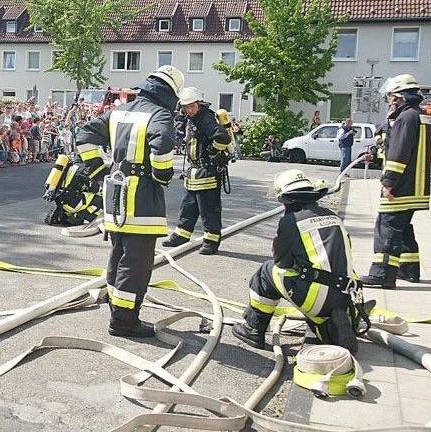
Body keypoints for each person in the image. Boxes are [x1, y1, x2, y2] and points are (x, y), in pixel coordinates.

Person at [76, 65, 184, 338]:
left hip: (114, 194)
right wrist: (161, 175)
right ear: (171, 93)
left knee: (119, 253)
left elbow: (84, 135)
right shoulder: (160, 115)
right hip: (142, 197)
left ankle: (117, 308)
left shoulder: (120, 110)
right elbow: (163, 145)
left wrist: (99, 171)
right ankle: (124, 322)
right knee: (136, 262)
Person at [233, 169, 364, 354]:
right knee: (319, 282)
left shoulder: (291, 222)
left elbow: (282, 262)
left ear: (285, 199)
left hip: (318, 298)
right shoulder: (332, 216)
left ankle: (254, 328)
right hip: (348, 294)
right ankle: (329, 325)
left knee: (266, 272)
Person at [360, 74, 431, 288]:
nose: (389, 102)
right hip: (416, 186)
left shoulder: (406, 118)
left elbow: (400, 154)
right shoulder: (422, 116)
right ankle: (409, 270)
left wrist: (388, 182)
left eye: (391, 97)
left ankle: (382, 275)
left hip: (401, 187)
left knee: (387, 228)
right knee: (402, 227)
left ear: (401, 97)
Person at [161, 87, 231, 255]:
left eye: (192, 106)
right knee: (188, 206)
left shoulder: (205, 118)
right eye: (186, 107)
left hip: (208, 171)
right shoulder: (192, 118)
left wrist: (212, 152)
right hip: (195, 171)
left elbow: (223, 138)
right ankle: (181, 235)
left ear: (199, 104)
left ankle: (211, 241)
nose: (189, 110)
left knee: (209, 209)